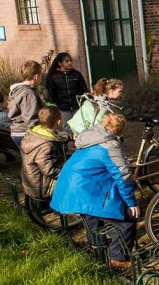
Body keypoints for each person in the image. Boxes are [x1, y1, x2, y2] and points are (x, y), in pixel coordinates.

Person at [51, 113, 138, 270]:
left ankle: (96, 248)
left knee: (91, 214)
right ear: (119, 130)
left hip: (69, 187)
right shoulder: (110, 145)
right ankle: (117, 258)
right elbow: (123, 176)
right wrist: (131, 203)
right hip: (84, 190)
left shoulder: (90, 136)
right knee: (128, 219)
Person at [20, 106, 67, 199]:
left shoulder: (36, 133)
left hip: (33, 182)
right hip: (42, 188)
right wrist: (69, 173)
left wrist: (69, 137)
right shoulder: (46, 145)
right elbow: (50, 170)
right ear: (59, 122)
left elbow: (54, 138)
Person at [45, 52, 89, 127]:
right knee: (65, 129)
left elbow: (84, 91)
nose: (70, 63)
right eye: (67, 61)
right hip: (63, 110)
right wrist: (53, 108)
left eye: (70, 60)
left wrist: (85, 103)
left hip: (77, 108)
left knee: (79, 128)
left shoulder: (77, 75)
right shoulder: (54, 77)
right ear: (60, 63)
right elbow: (51, 95)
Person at [8, 60, 44, 149]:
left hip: (18, 131)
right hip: (25, 133)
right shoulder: (28, 93)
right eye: (41, 75)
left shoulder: (18, 90)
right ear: (36, 76)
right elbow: (31, 119)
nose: (41, 78)